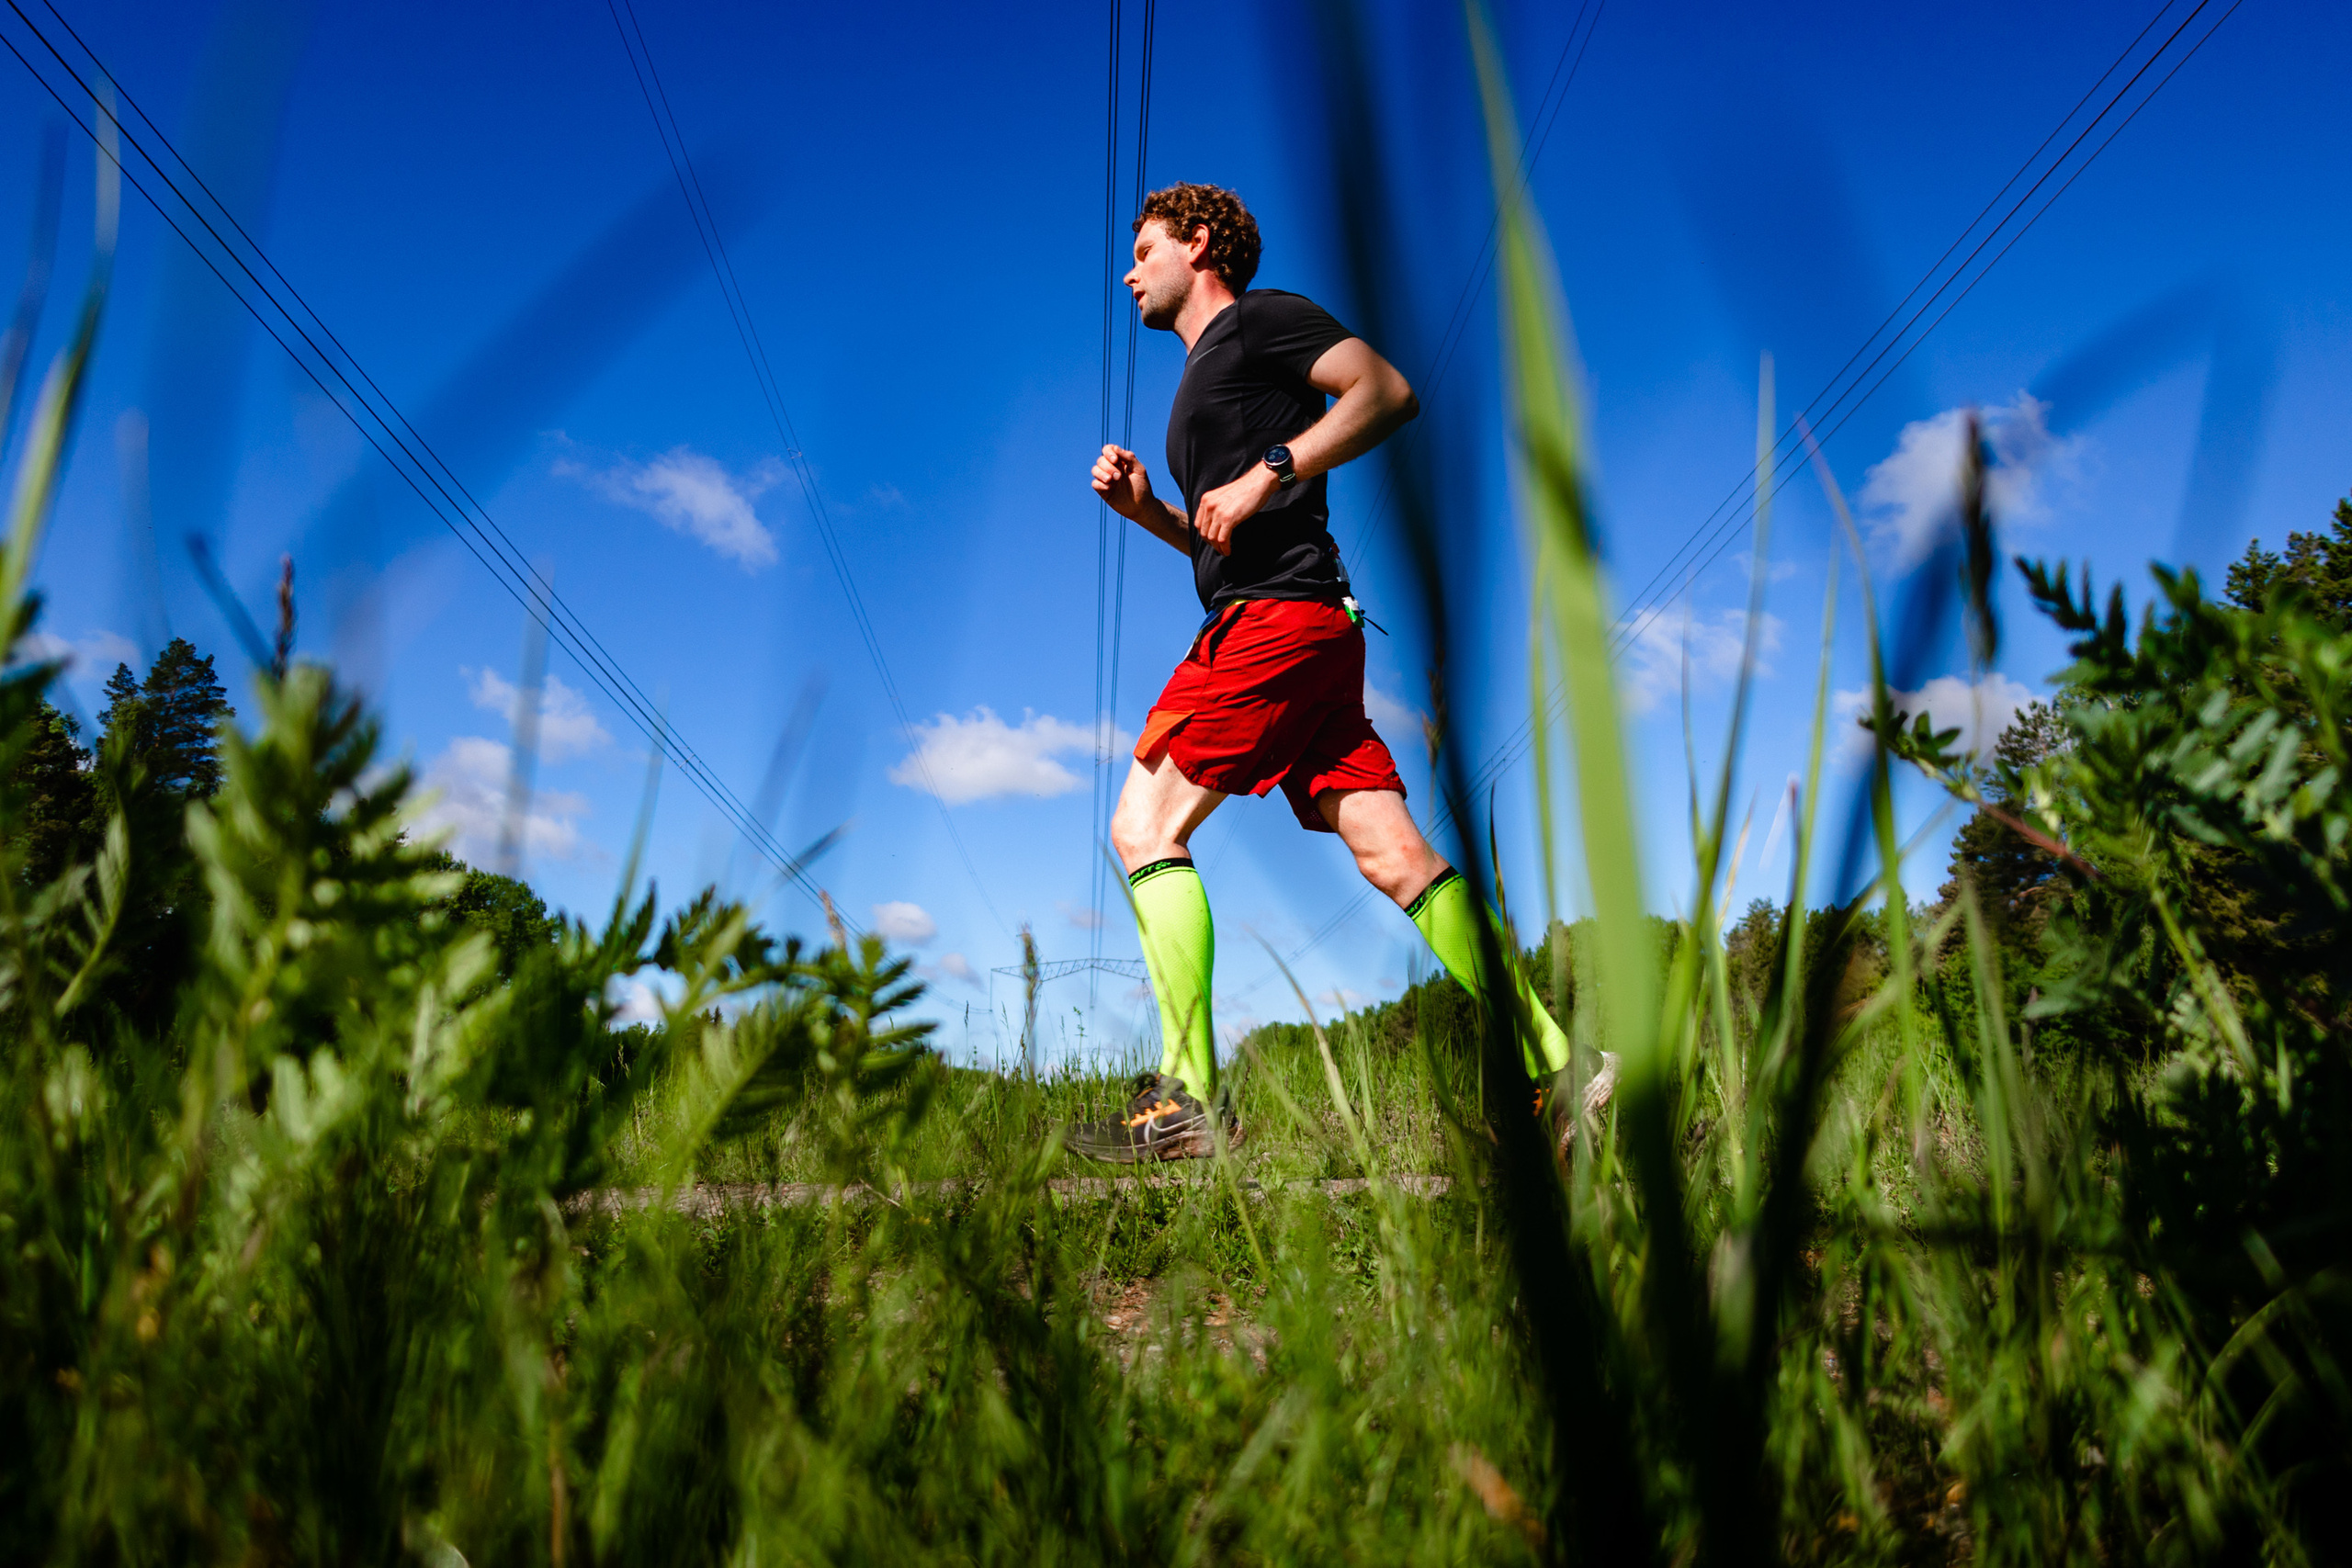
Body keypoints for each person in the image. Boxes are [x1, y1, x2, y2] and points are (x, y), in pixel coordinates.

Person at [1067, 182, 1580, 1163]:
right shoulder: (1198, 384)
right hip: (1297, 622)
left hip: (1273, 628)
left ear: (1199, 244)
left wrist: (1271, 467)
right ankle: (1558, 1067)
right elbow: (1227, 544)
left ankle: (1186, 1101)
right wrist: (1152, 514)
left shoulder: (1263, 322)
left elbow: (1386, 392)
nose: (1127, 270)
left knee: (1142, 829)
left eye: (1142, 248)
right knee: (1394, 857)